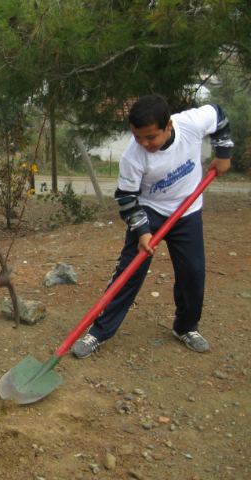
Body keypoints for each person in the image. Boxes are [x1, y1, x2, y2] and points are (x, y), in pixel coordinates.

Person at [72, 95, 233, 359]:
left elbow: (220, 115)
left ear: (168, 126)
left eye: (150, 137)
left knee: (193, 273)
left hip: (187, 211)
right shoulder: (133, 157)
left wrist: (223, 153)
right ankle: (99, 332)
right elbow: (126, 198)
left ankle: (185, 327)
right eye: (137, 137)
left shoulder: (192, 124)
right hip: (150, 211)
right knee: (129, 272)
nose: (144, 143)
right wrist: (142, 231)